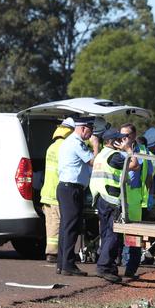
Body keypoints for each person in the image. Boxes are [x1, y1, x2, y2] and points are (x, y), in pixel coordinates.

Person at [89, 128, 141, 283]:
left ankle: (109, 266)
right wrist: (129, 149)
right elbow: (135, 165)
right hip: (110, 199)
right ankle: (104, 267)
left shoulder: (101, 155)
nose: (122, 141)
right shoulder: (114, 156)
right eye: (120, 139)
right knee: (113, 234)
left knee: (106, 233)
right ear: (112, 142)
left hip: (100, 197)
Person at [56, 116, 97, 276]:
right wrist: (95, 145)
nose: (91, 133)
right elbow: (93, 161)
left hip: (67, 188)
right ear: (83, 128)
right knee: (71, 227)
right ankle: (68, 265)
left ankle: (62, 263)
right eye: (90, 129)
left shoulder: (71, 141)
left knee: (66, 227)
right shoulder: (76, 143)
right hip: (71, 188)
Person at [117, 123, 153, 278]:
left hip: (135, 198)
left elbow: (149, 175)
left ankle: (130, 269)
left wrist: (149, 196)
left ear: (134, 135)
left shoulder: (144, 152)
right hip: (118, 196)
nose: (123, 138)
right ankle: (115, 266)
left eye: (127, 135)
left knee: (133, 237)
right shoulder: (115, 150)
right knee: (116, 236)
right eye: (121, 135)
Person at [40, 117, 75, 263]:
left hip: (47, 192)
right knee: (57, 224)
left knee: (51, 224)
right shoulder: (65, 147)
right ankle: (53, 254)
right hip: (56, 193)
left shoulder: (52, 147)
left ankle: (53, 252)